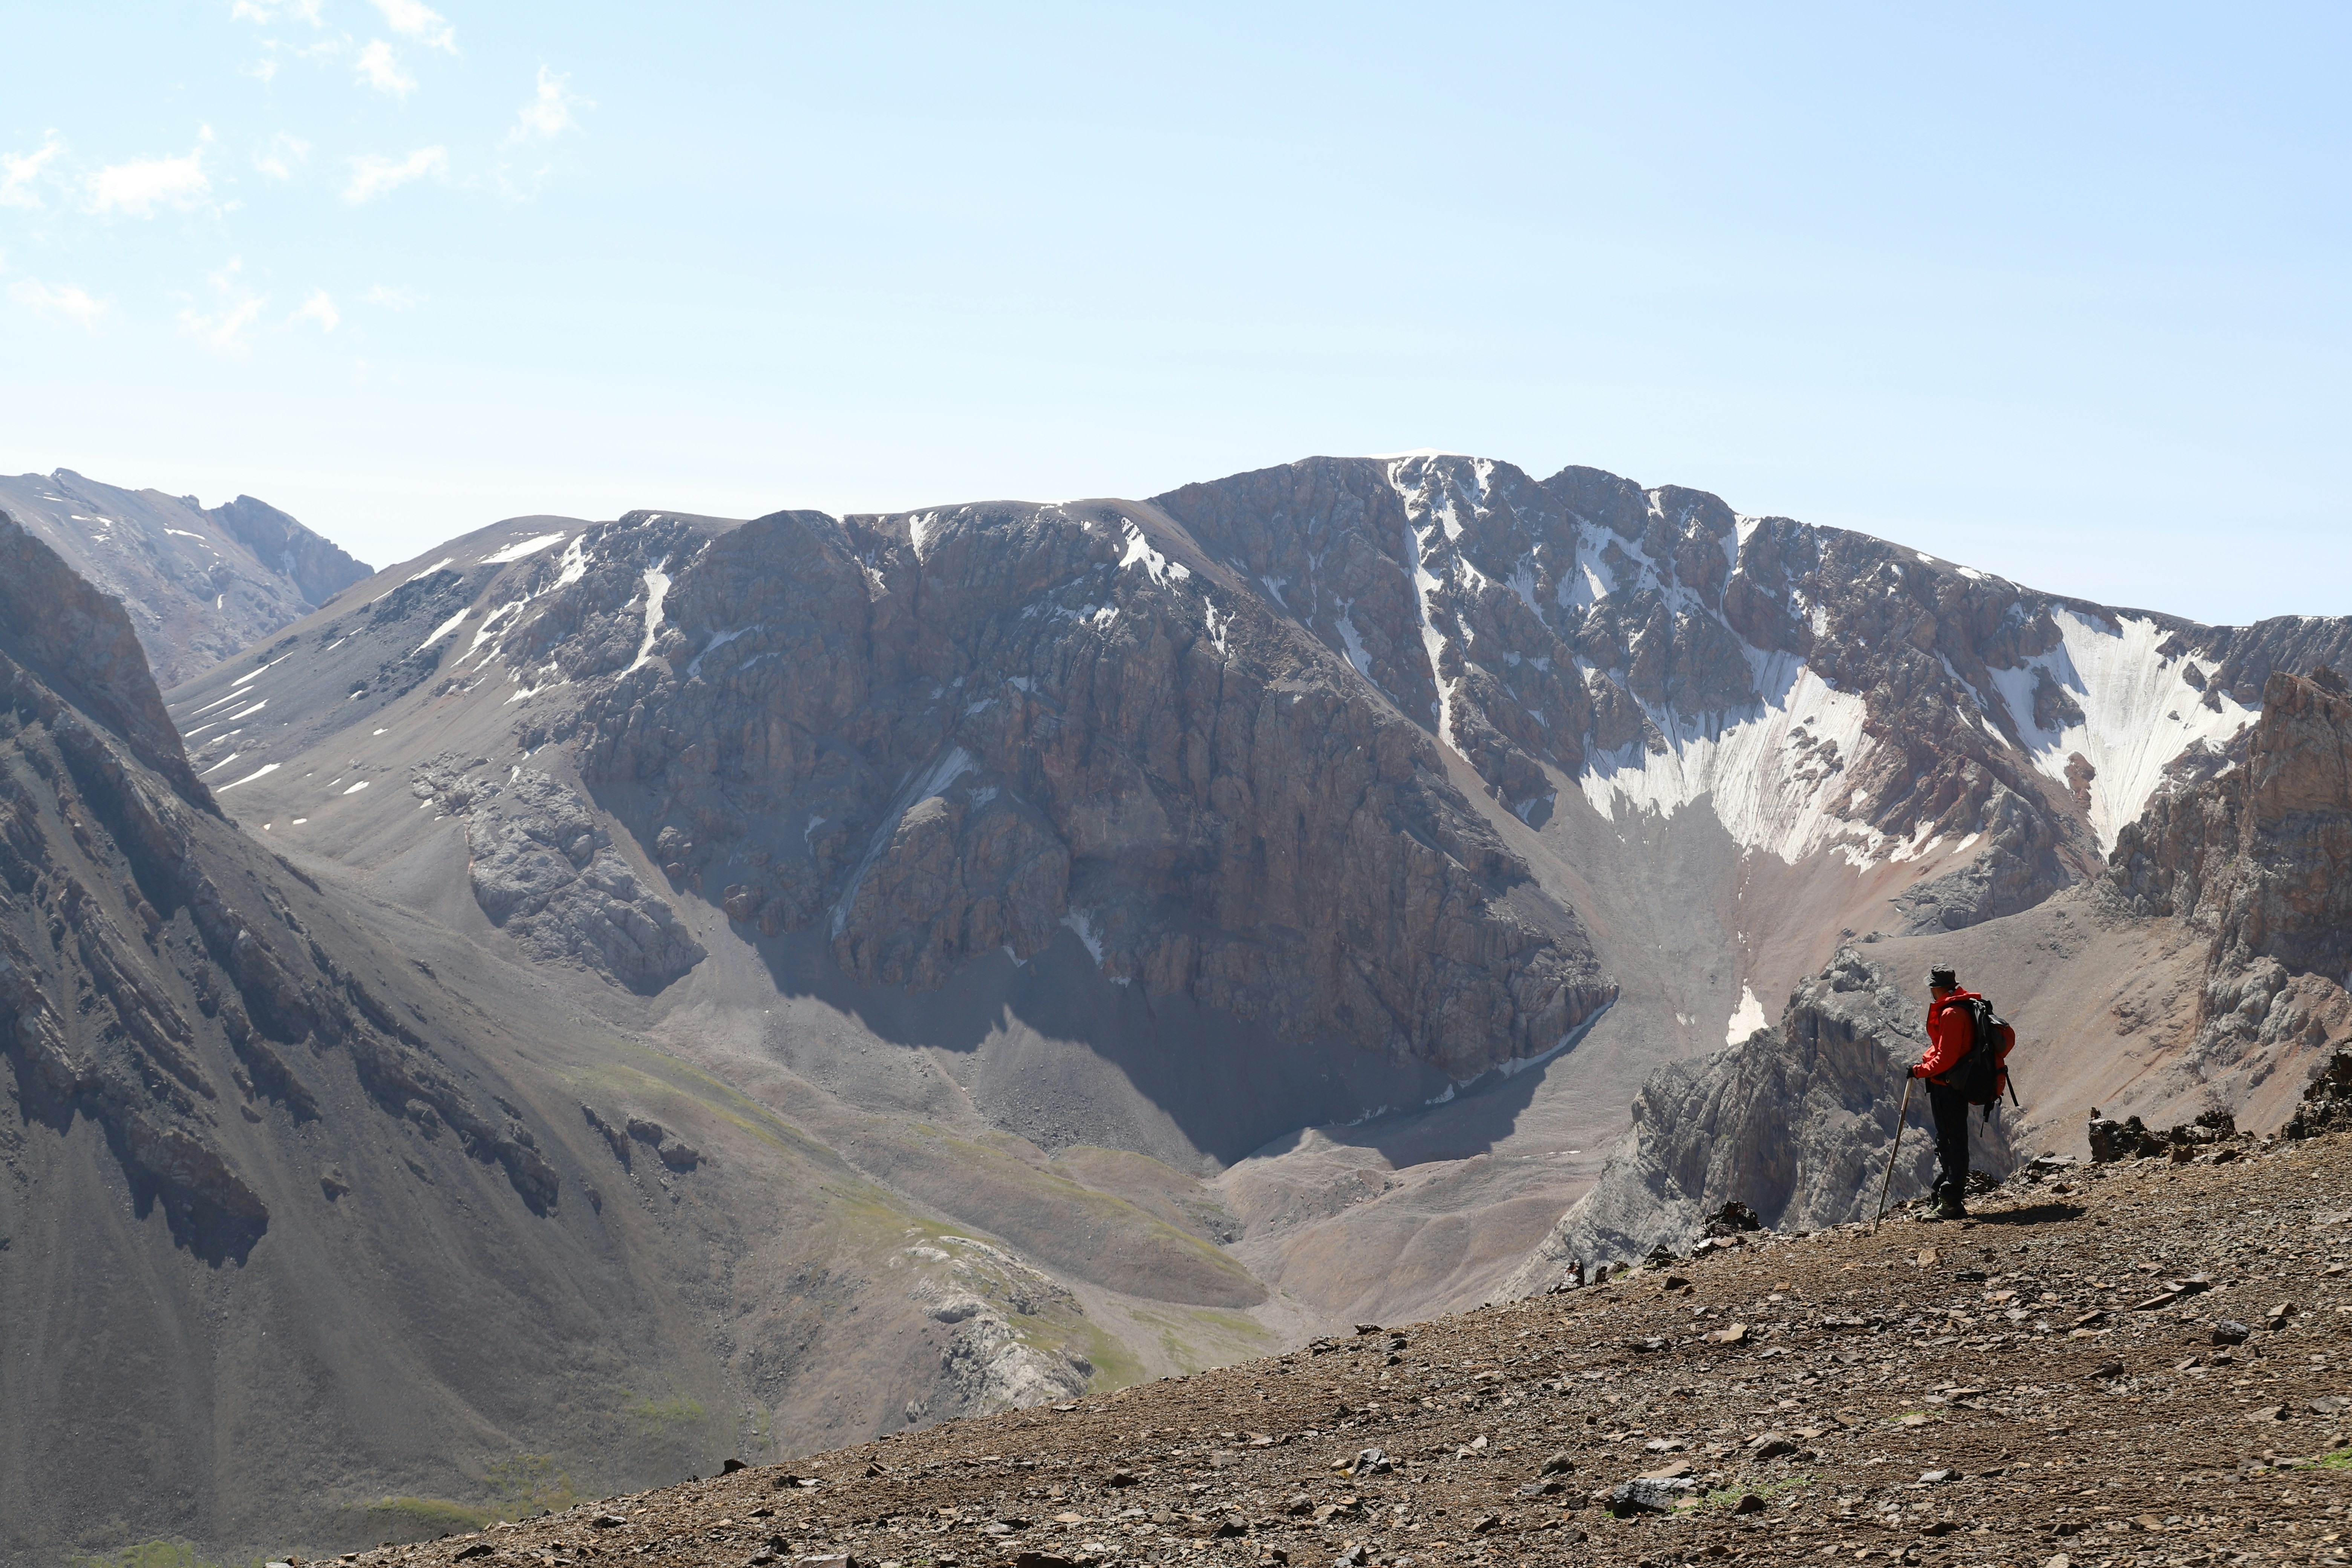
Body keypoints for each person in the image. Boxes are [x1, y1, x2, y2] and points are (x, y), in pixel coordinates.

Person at [1908, 965, 2012, 1220]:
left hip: (1948, 1087)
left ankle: (1951, 1202)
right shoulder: (1963, 1006)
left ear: (1939, 988)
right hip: (1955, 1084)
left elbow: (1946, 1057)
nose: (1931, 992)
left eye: (1933, 987)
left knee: (1953, 1143)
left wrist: (1920, 1071)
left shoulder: (1952, 1013)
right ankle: (1943, 1199)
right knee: (1948, 1141)